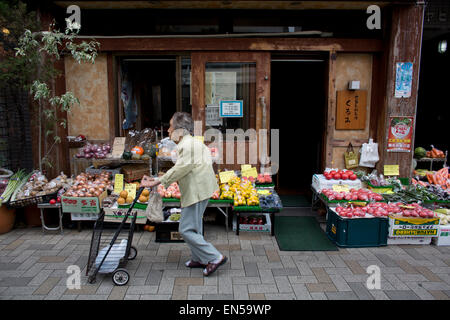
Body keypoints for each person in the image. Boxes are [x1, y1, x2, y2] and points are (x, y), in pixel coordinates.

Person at [140, 112, 227, 276]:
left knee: (186, 230)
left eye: (171, 127)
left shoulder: (187, 146)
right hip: (201, 188)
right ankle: (200, 258)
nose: (168, 130)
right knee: (195, 227)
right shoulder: (192, 143)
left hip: (197, 191)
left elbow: (180, 169)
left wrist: (156, 181)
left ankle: (215, 257)